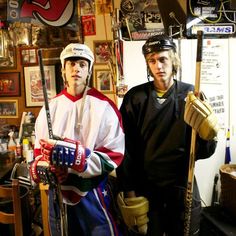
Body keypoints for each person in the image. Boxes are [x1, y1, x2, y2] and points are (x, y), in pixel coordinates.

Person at [116, 34, 219, 236]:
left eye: (162, 59)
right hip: (146, 191)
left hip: (182, 187)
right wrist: (129, 192)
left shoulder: (191, 96)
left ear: (173, 60)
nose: (158, 66)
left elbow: (203, 151)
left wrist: (209, 134)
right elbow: (125, 149)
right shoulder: (135, 99)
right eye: (152, 61)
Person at [30, 43, 125, 235]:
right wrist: (47, 168)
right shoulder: (51, 107)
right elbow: (39, 153)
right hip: (57, 193)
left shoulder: (105, 106)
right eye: (71, 64)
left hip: (92, 191)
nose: (76, 69)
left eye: (82, 64)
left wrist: (80, 159)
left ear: (89, 69)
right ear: (63, 70)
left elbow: (114, 155)